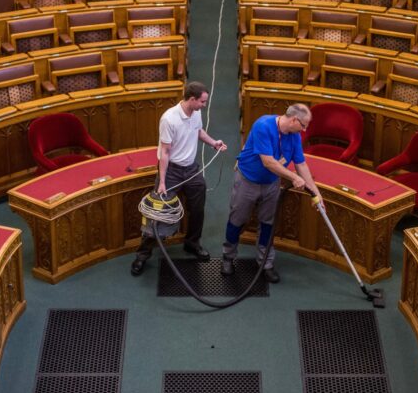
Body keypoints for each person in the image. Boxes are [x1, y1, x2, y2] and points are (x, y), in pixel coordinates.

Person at [131, 82, 227, 276]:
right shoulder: (169, 119)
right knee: (157, 214)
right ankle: (142, 255)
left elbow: (198, 131)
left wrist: (213, 143)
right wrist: (163, 182)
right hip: (172, 171)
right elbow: (165, 152)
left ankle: (192, 244)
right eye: (202, 101)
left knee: (197, 210)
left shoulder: (196, 112)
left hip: (191, 170)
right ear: (192, 99)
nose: (204, 105)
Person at [221, 103, 322, 283]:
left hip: (271, 184)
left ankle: (265, 263)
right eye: (304, 125)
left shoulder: (295, 136)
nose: (305, 130)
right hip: (247, 181)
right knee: (237, 220)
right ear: (293, 120)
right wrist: (293, 177)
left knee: (267, 224)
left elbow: (301, 164)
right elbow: (268, 162)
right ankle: (228, 257)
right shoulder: (263, 126)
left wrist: (316, 193)